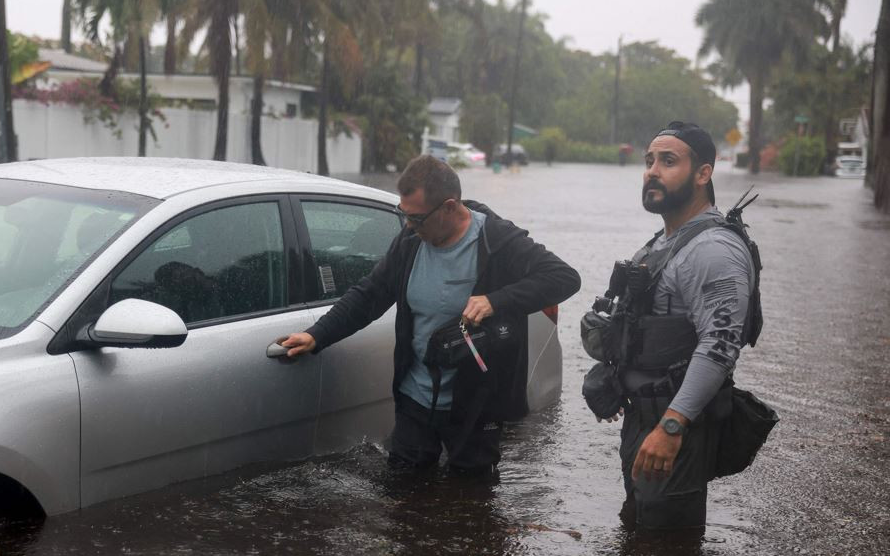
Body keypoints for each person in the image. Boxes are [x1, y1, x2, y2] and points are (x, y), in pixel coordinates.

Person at [279, 156, 580, 477]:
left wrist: (497, 300)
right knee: (402, 493)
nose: (408, 225)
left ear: (449, 207)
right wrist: (317, 335)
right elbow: (371, 293)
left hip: (476, 405)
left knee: (471, 504)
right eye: (403, 215)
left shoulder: (498, 242)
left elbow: (564, 277)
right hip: (415, 399)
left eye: (417, 218)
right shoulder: (411, 242)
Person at [595, 121, 758, 529]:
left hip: (677, 426)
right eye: (649, 161)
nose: (652, 171)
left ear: (703, 173)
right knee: (637, 537)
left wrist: (672, 426)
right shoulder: (661, 242)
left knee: (667, 553)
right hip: (643, 419)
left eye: (669, 161)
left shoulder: (713, 250)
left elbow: (720, 344)